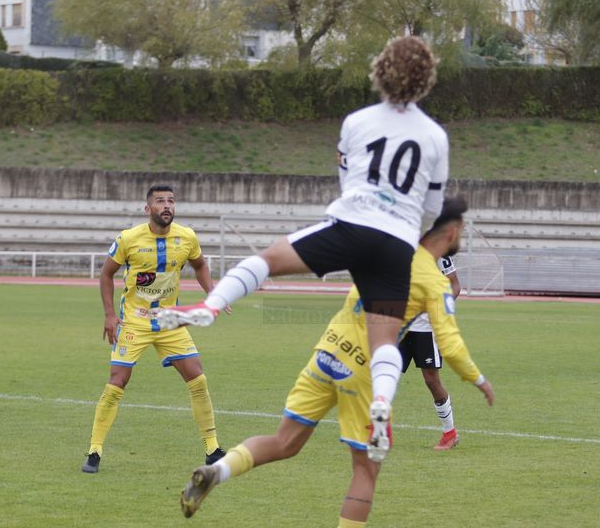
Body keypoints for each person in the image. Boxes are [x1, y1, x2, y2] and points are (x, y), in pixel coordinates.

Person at [162, 36, 449, 463]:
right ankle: (382, 403)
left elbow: (348, 178)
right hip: (397, 243)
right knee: (385, 338)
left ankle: (212, 305)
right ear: (427, 78)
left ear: (381, 69)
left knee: (266, 260)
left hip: (351, 224)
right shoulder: (435, 136)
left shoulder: (357, 121)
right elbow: (433, 208)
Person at [177, 196, 494, 526]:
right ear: (452, 230)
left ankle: (219, 469)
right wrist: (478, 379)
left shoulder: (383, 250)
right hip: (363, 369)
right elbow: (452, 344)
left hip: (326, 352)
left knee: (284, 441)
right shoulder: (434, 280)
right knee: (365, 470)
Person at [81, 185, 225, 473]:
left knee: (197, 379)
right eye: (160, 201)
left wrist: (213, 294)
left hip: (170, 321)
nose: (167, 205)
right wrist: (110, 315)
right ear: (148, 209)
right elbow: (107, 274)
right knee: (117, 382)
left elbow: (199, 265)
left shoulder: (187, 237)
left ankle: (212, 449)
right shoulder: (129, 239)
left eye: (171, 201)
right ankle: (94, 450)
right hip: (134, 321)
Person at [398, 255, 464, 449]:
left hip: (426, 327)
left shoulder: (440, 255)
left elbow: (455, 286)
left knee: (431, 379)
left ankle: (450, 433)